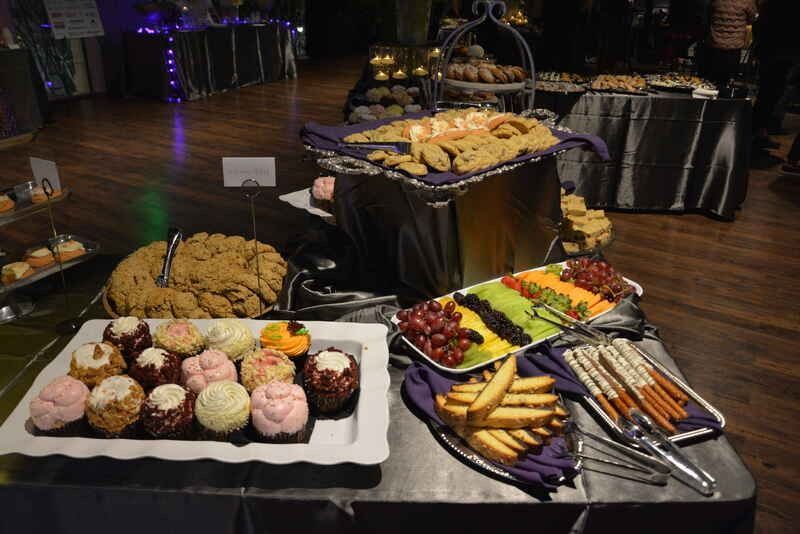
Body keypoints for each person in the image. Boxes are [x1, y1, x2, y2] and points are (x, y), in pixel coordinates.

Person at [752, 1, 800, 150]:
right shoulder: (789, 8)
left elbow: (758, 26)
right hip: (782, 55)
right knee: (772, 95)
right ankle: (758, 132)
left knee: (767, 94)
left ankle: (759, 132)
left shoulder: (770, 6)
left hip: (770, 53)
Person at [703, 0, 757, 89]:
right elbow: (752, 18)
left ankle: (709, 97)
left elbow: (709, 14)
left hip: (715, 41)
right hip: (734, 44)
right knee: (729, 77)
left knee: (713, 77)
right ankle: (726, 96)